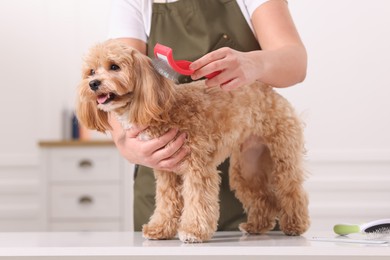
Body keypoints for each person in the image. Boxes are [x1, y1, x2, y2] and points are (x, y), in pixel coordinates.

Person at [107, 0, 307, 231]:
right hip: (160, 169)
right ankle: (168, 217)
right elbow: (115, 86)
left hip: (247, 174)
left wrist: (256, 63)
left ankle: (260, 211)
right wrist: (126, 143)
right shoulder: (134, 3)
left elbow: (296, 63)